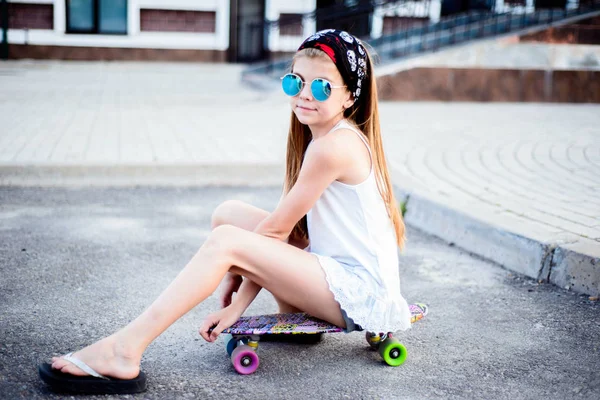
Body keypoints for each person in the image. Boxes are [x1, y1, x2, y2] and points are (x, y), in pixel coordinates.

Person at [38, 29, 413, 394]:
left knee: (225, 242)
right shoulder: (328, 137)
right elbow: (290, 231)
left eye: (320, 87)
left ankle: (124, 351)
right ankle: (296, 311)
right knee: (228, 214)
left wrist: (237, 304)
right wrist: (247, 262)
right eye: (294, 82)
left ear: (350, 98)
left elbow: (274, 234)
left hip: (360, 296)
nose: (303, 95)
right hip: (333, 275)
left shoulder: (334, 148)